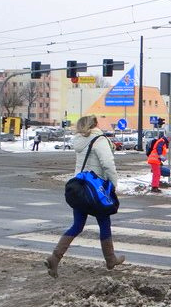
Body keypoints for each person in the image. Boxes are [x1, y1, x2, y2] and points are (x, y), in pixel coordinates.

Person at [45, 115, 124, 278]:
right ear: (94, 124)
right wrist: (114, 184)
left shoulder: (79, 141)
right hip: (95, 189)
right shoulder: (99, 139)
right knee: (104, 222)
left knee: (77, 225)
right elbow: (107, 164)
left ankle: (54, 258)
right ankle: (110, 259)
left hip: (79, 188)